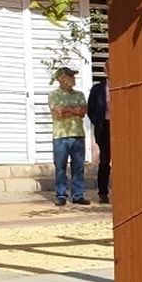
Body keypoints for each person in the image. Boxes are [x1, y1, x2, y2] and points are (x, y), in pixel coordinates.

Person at [48, 67, 90, 206]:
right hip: (61, 136)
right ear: (61, 79)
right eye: (70, 76)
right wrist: (74, 109)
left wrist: (68, 109)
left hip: (78, 134)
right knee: (60, 167)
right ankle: (61, 195)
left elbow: (83, 111)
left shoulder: (79, 94)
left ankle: (78, 195)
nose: (74, 78)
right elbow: (58, 112)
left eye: (73, 76)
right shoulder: (54, 95)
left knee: (78, 167)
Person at [87, 71, 111, 204]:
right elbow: (91, 108)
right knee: (105, 161)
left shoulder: (122, 84)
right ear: (106, 72)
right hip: (104, 126)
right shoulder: (98, 88)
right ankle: (103, 193)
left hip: (120, 127)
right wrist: (97, 121)